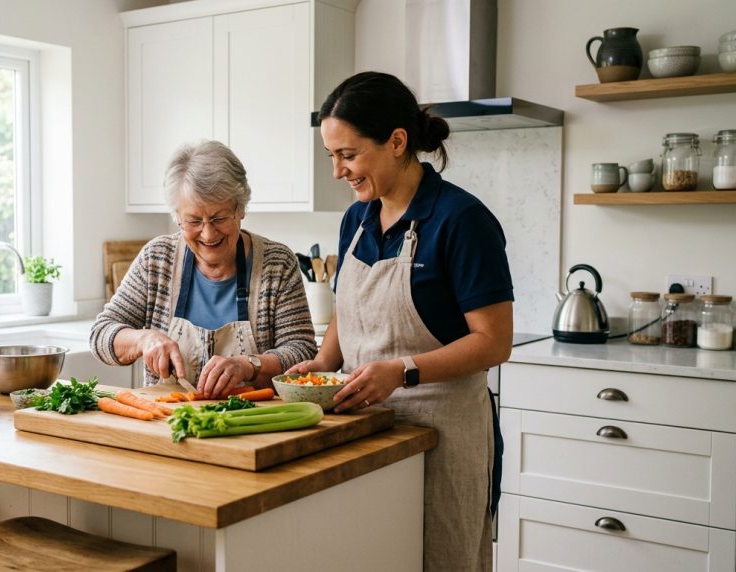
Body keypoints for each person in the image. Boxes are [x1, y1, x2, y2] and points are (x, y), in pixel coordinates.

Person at [288, 71, 513, 571]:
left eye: (348, 155)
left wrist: (401, 370)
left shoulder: (461, 219)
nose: (338, 171)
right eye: (331, 156)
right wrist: (322, 363)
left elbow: (494, 343)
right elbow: (350, 312)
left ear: (396, 141)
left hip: (444, 435)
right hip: (367, 432)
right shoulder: (357, 219)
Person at [91, 140, 316, 396]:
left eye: (219, 218)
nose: (208, 234)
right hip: (167, 424)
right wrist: (144, 339)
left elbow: (302, 350)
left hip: (252, 425)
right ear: (177, 216)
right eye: (194, 220)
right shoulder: (157, 260)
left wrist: (248, 365)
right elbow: (100, 335)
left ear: (240, 209)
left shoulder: (277, 264)